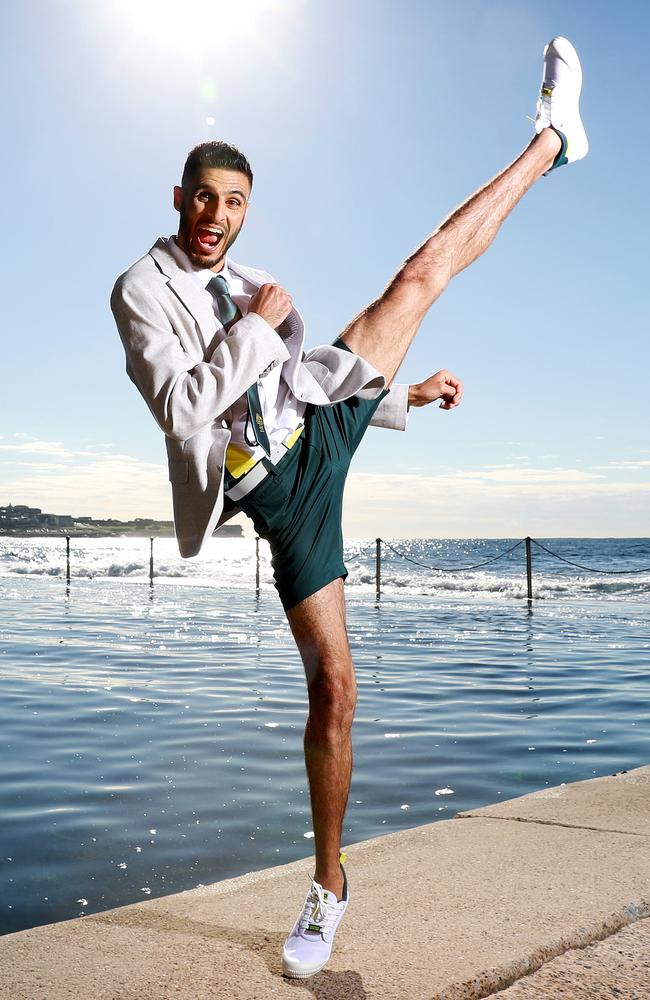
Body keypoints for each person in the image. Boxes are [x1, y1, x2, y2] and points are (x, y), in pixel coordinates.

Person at [111, 36, 587, 979]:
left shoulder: (252, 282)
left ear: (248, 211)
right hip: (280, 502)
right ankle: (330, 886)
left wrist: (401, 399)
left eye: (235, 202)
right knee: (335, 691)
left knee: (420, 275)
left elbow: (291, 379)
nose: (217, 216)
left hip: (322, 417)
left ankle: (549, 141)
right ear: (178, 198)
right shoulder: (140, 292)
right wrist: (253, 327)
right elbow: (182, 407)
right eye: (203, 197)